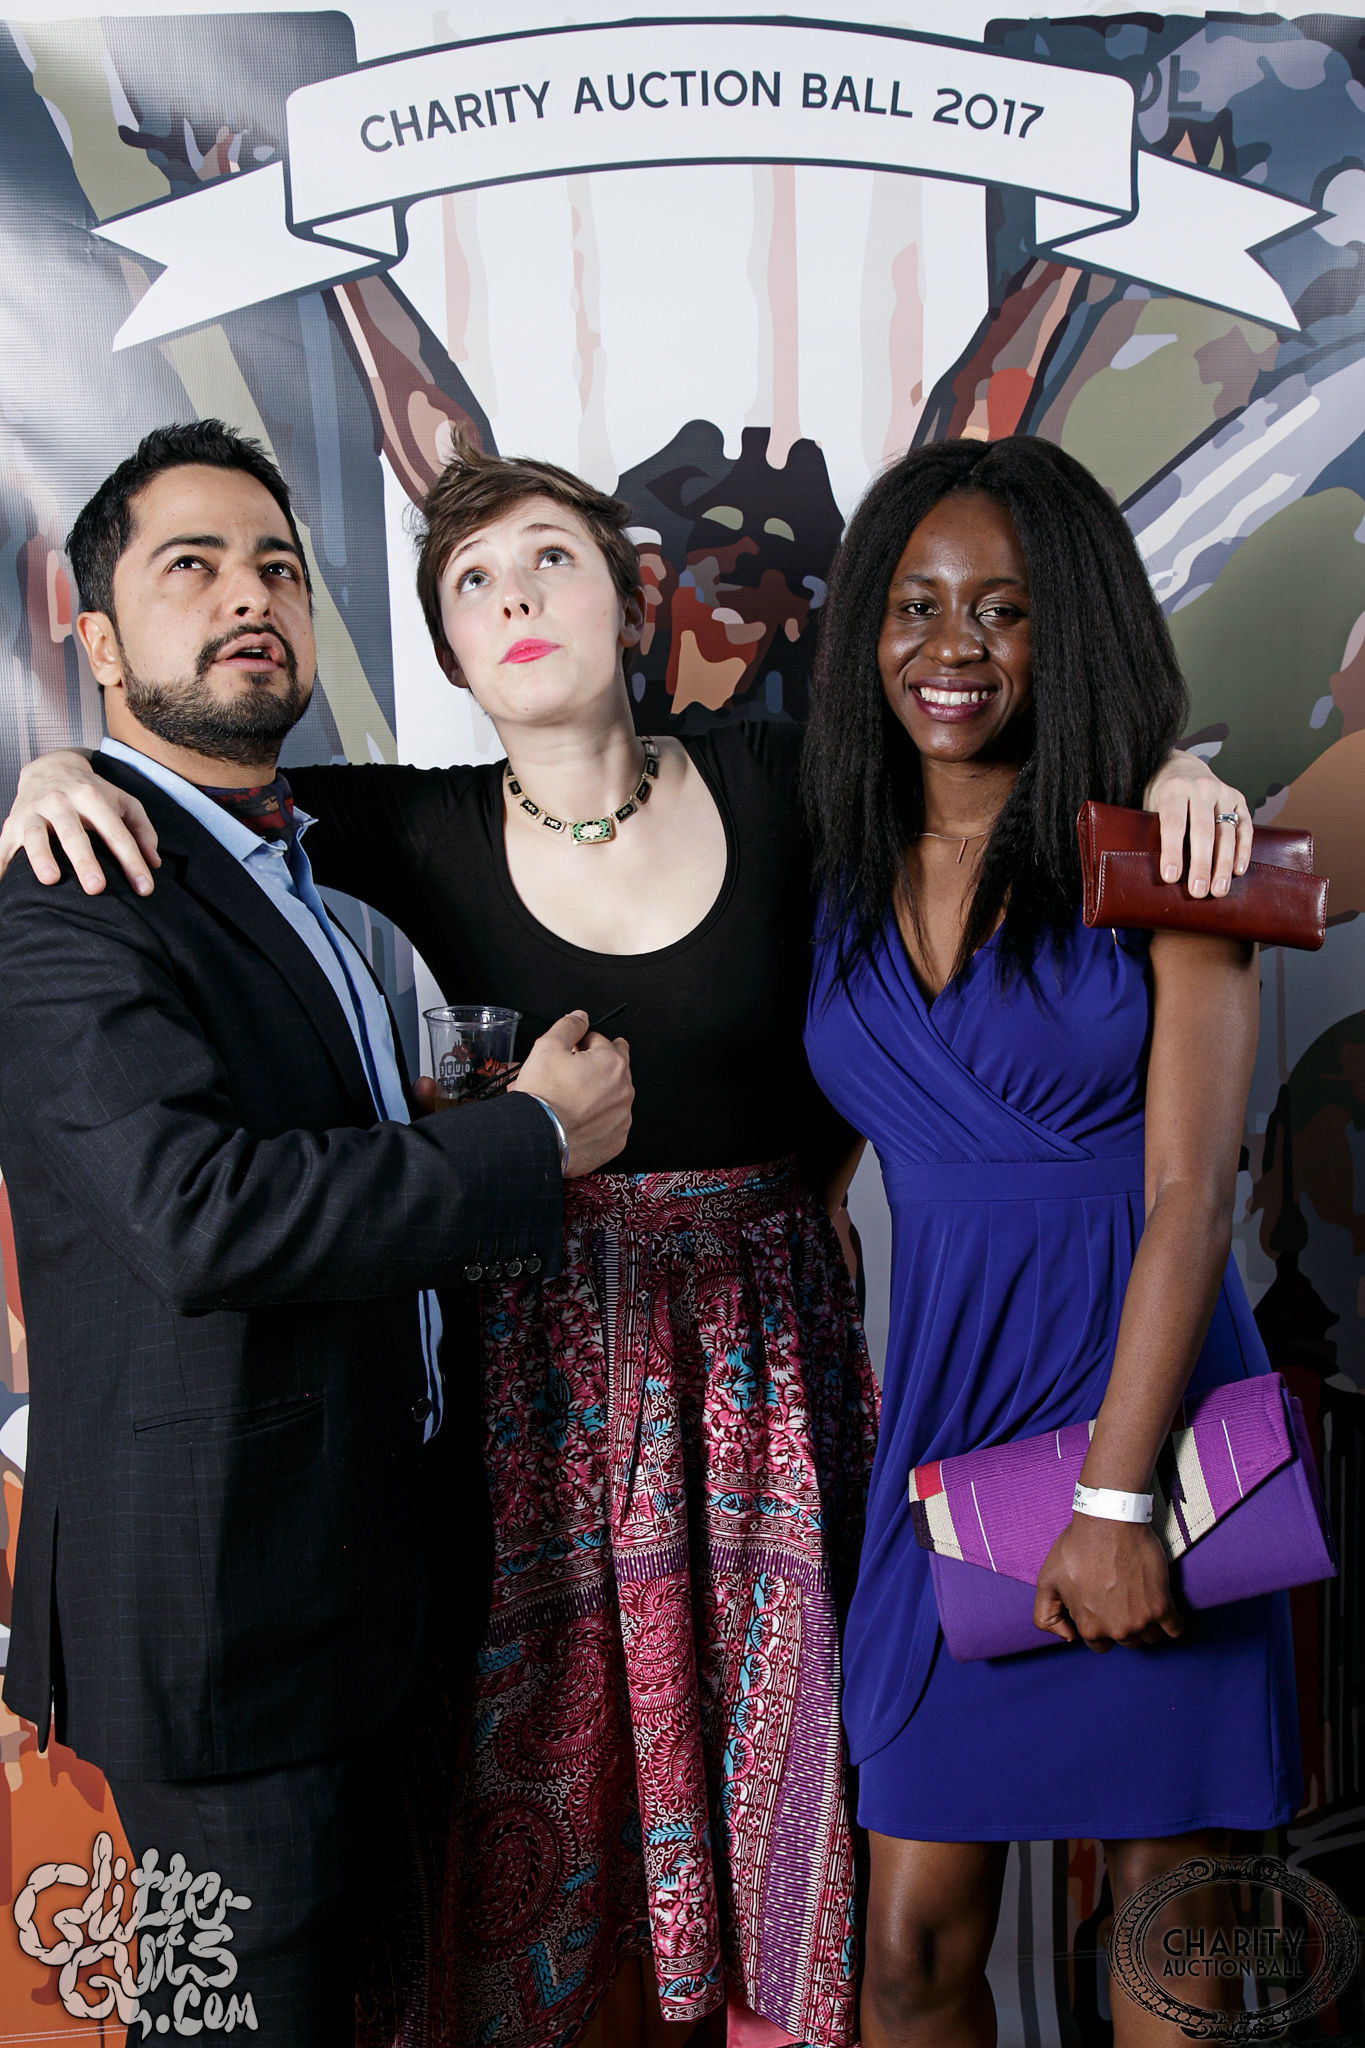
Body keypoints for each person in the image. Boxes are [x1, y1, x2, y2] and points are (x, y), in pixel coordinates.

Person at [1, 439, 1253, 2048]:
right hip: (531, 1414)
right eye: (473, 582)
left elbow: (987, 767)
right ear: (449, 654)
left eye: (552, 560)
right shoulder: (400, 825)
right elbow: (189, 786)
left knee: (830, 1850)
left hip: (776, 1395)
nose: (516, 598)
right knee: (525, 1849)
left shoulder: (788, 780)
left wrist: (1170, 775)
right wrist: (58, 773)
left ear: (632, 598)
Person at [0, 421, 632, 2044]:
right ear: (96, 638)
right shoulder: (70, 894)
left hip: (352, 1583)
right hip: (222, 1618)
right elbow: (196, 1217)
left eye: (276, 566)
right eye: (191, 566)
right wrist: (527, 1143)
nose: (248, 597)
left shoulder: (284, 860)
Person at [800, 436, 1297, 2048]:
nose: (950, 647)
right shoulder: (833, 864)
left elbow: (1190, 1195)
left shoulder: (1168, 853)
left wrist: (1112, 1497)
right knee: (906, 1960)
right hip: (945, 1444)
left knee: (1175, 1949)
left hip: (1140, 1425)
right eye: (914, 604)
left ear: (1066, 627)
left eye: (1001, 610)